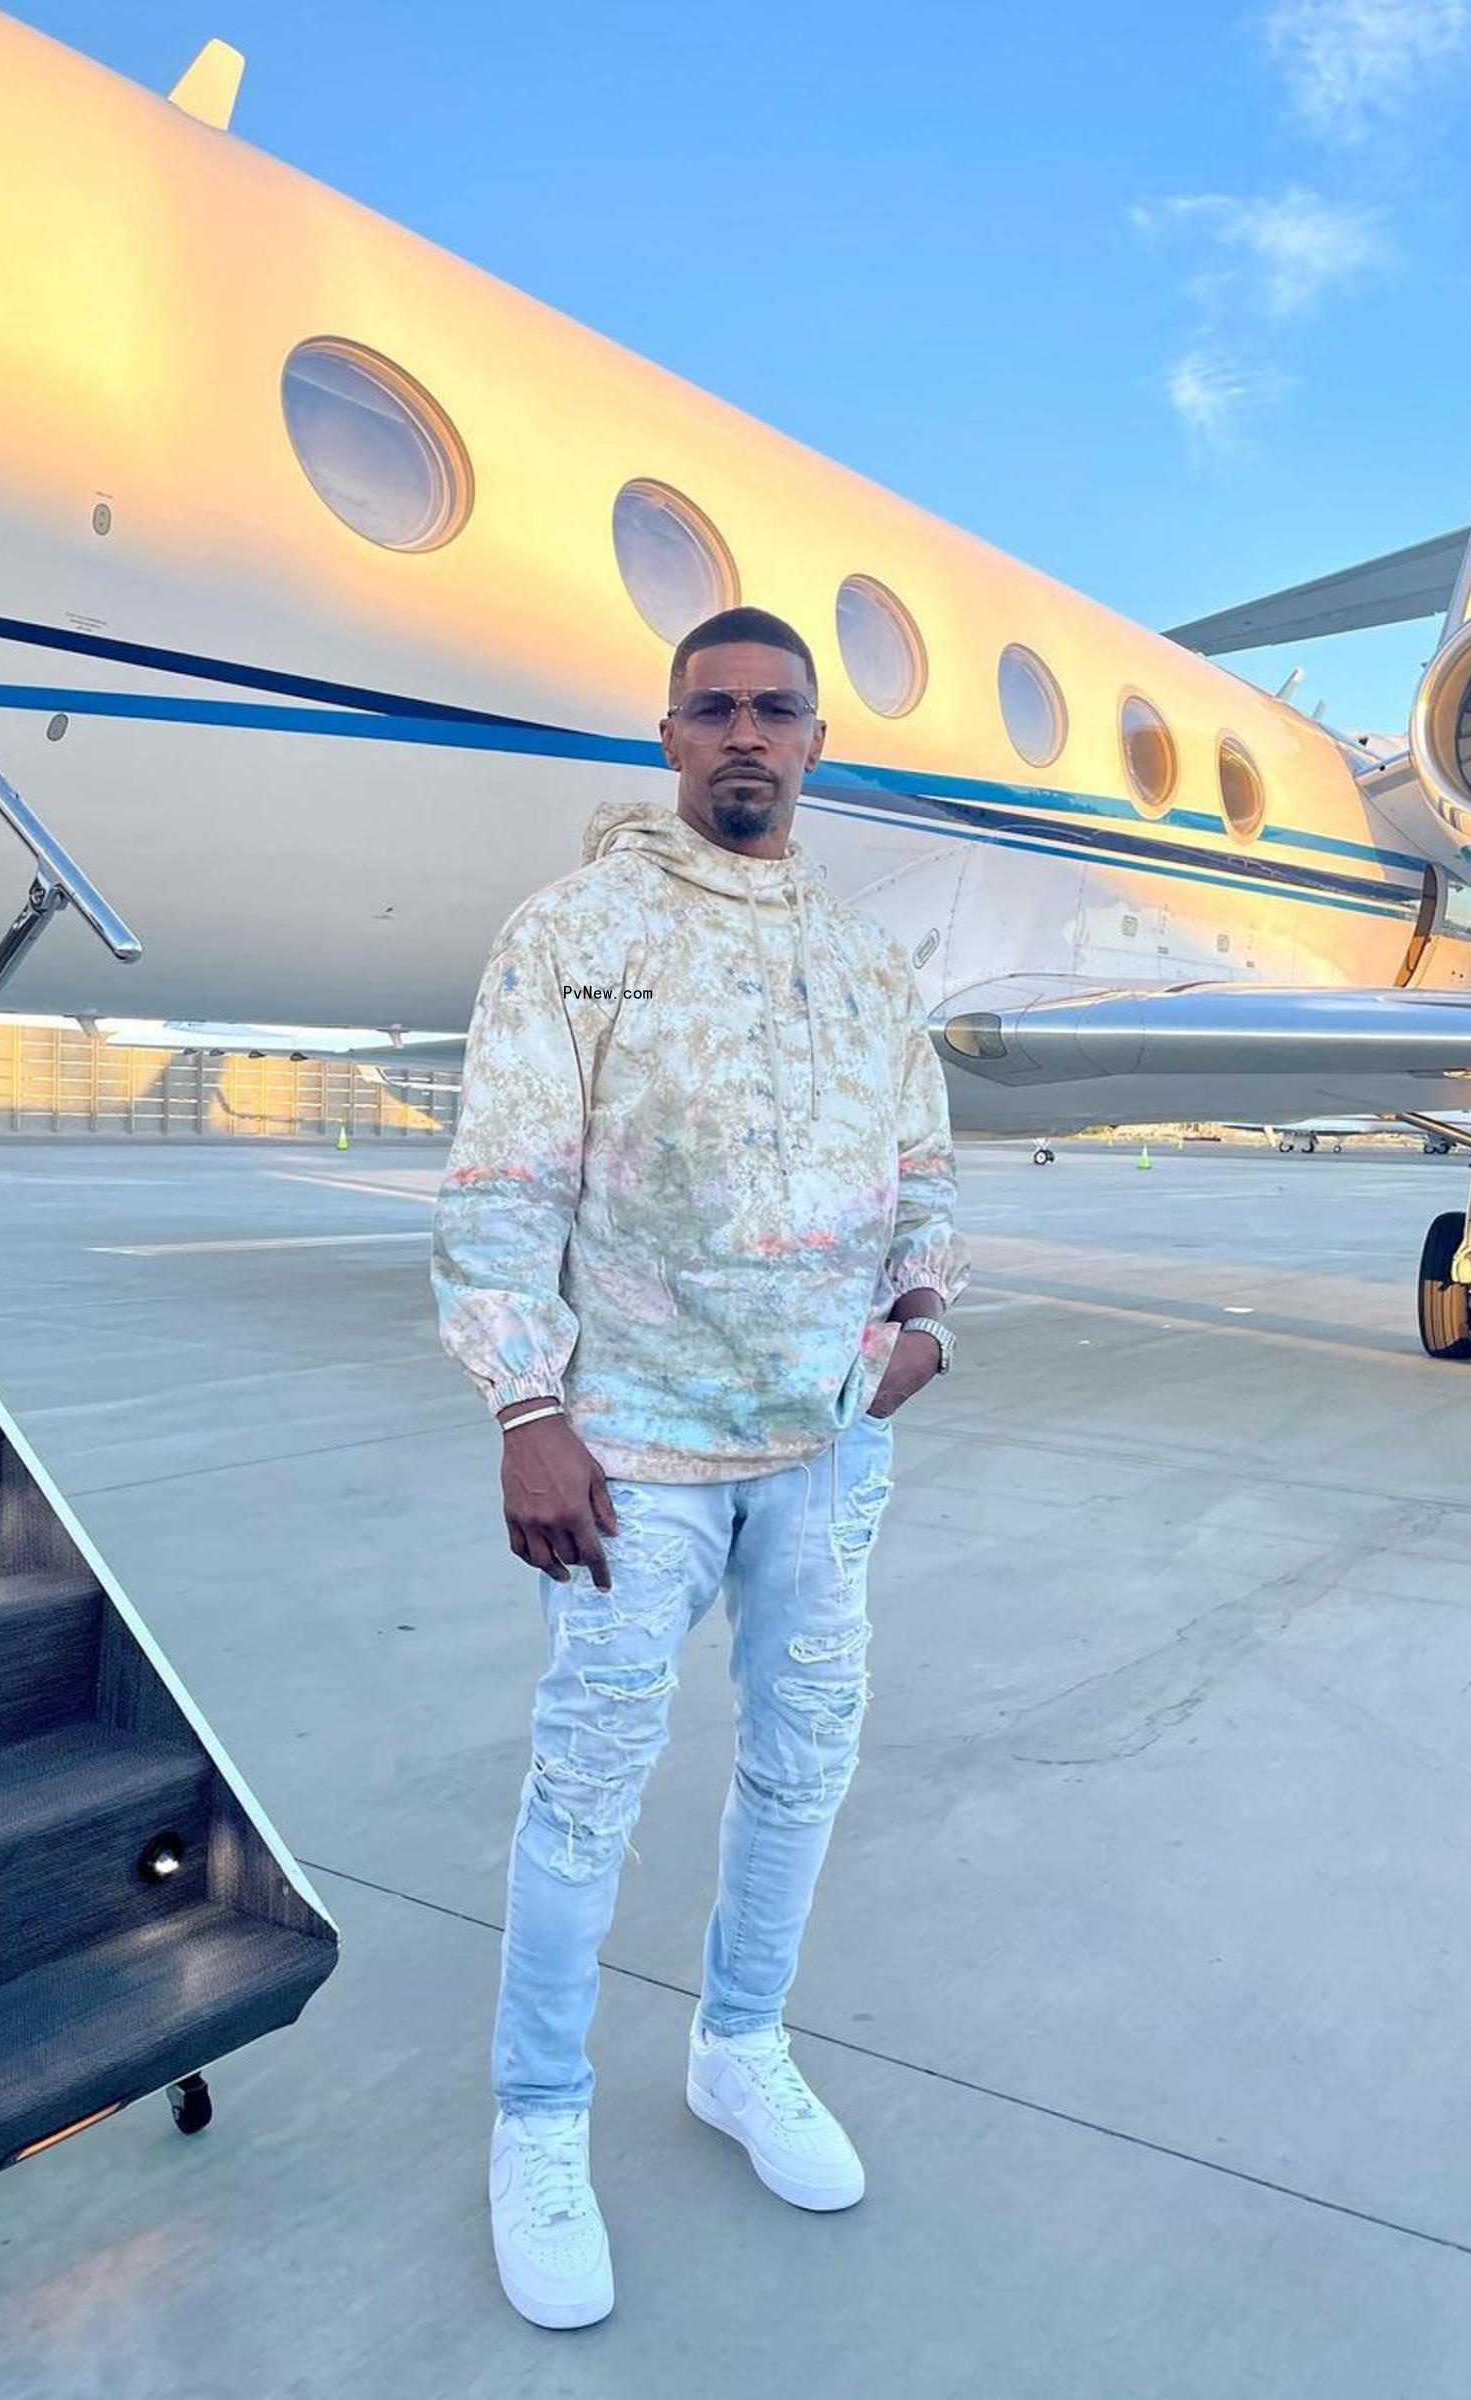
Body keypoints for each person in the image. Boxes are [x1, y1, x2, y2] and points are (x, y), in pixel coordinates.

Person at [431, 604, 969, 2330]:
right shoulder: (573, 932)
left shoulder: (871, 958)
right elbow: (507, 1182)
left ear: (817, 745)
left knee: (804, 1765)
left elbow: (924, 1166)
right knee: (587, 1791)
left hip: (822, 1450)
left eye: (777, 712)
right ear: (668, 738)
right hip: (633, 1457)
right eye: (713, 709)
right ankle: (537, 2120)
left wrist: (925, 1315)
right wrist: (527, 1409)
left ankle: (741, 2046)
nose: (746, 734)